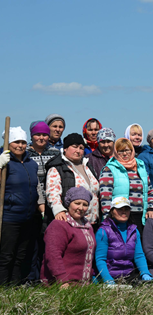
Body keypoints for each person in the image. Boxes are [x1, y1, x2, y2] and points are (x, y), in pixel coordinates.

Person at [0, 127, 39, 285]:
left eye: (23, 142)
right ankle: (2, 289)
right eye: (16, 142)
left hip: (28, 217)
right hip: (10, 217)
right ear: (8, 143)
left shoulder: (31, 164)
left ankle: (14, 289)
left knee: (21, 255)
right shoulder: (5, 162)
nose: (20, 145)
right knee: (6, 256)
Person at [99, 138, 153, 235]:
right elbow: (105, 195)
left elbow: (149, 190)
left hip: (141, 216)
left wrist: (150, 208)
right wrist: (108, 217)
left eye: (127, 150)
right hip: (120, 216)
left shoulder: (140, 167)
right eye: (121, 151)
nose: (125, 154)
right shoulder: (110, 169)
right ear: (116, 152)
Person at [40, 187, 96, 287]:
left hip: (83, 286)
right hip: (62, 285)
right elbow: (53, 255)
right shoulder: (60, 224)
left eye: (85, 205)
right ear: (68, 204)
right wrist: (62, 280)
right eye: (77, 203)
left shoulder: (87, 225)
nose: (81, 208)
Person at [26, 121, 60, 281]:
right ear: (31, 136)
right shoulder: (25, 153)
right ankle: (30, 278)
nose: (41, 137)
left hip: (49, 204)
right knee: (30, 243)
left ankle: (45, 277)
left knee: (46, 241)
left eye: (44, 134)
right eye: (38, 134)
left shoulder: (54, 153)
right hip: (30, 203)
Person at [95, 197, 153, 284]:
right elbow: (100, 259)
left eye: (126, 209)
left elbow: (139, 256)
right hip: (108, 277)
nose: (124, 212)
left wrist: (145, 273)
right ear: (112, 211)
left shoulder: (134, 231)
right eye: (119, 209)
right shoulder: (103, 231)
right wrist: (108, 280)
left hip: (128, 276)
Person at [45, 133, 100, 225]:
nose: (78, 151)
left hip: (92, 222)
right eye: (74, 147)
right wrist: (58, 210)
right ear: (65, 148)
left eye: (81, 148)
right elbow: (53, 192)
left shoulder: (88, 166)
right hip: (70, 223)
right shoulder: (57, 168)